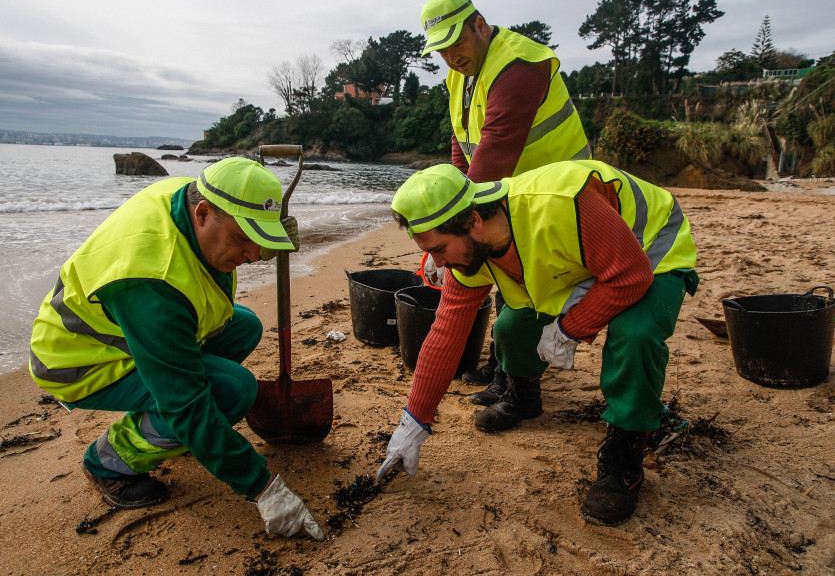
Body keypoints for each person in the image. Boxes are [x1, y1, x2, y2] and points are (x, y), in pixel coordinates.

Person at [376, 161, 699, 525]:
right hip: (581, 260)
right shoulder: (470, 248)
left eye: (439, 249)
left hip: (649, 248)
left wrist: (570, 328)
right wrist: (414, 421)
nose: (437, 263)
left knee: (634, 336)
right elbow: (446, 330)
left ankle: (625, 455)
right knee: (511, 328)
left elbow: (629, 276)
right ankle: (524, 397)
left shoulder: (560, 204)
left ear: (473, 223)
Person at [29, 157, 324, 540]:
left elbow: (212, 254)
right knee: (232, 391)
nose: (252, 255)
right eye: (243, 240)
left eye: (259, 240)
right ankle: (108, 461)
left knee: (244, 325)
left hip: (126, 332)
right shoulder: (150, 282)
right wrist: (265, 489)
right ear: (202, 213)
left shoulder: (189, 195)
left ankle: (174, 429)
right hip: (81, 360)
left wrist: (265, 243)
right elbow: (186, 400)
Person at [419, 0, 591, 395]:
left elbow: (493, 152)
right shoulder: (459, 75)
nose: (450, 56)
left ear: (480, 25)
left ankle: (514, 381)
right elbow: (463, 145)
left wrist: (447, 228)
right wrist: (454, 198)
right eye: (440, 50)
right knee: (505, 272)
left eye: (455, 42)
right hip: (512, 195)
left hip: (559, 196)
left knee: (522, 282)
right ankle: (502, 365)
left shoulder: (519, 64)